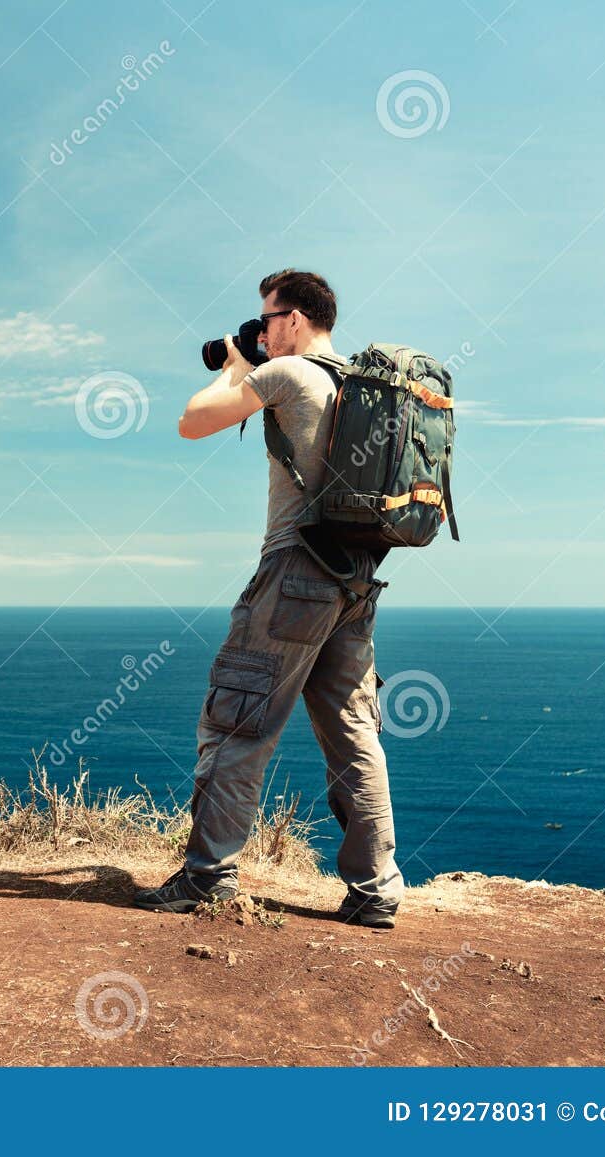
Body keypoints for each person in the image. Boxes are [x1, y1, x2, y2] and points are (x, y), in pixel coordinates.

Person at [133, 269, 404, 928]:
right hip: (357, 579)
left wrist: (234, 364)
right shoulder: (365, 387)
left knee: (238, 720)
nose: (262, 330)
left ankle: (206, 877)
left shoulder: (291, 375)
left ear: (295, 319)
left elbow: (191, 423)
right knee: (353, 733)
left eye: (267, 318)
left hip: (292, 577)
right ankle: (376, 890)